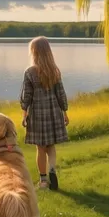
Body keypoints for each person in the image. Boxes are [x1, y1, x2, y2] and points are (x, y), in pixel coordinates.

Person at [19, 36, 69, 190]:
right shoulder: (54, 71)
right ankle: (52, 169)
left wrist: (24, 114)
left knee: (40, 148)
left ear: (34, 53)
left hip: (38, 114)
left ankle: (43, 181)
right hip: (54, 112)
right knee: (51, 146)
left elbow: (26, 96)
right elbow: (61, 93)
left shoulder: (30, 72)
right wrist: (65, 112)